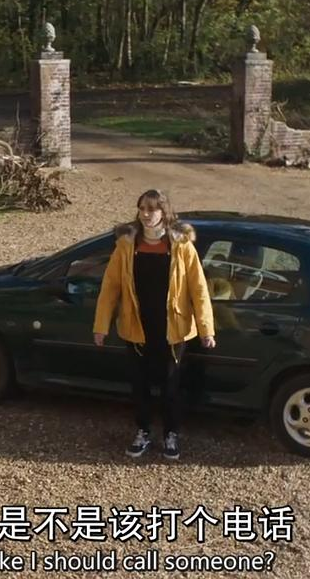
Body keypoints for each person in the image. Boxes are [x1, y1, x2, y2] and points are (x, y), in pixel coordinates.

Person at [92, 189, 216, 460]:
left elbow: (198, 289)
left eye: (152, 209)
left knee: (171, 385)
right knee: (140, 384)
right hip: (136, 326)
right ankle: (143, 431)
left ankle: (171, 433)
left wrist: (206, 329)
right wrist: (101, 326)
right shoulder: (126, 245)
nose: (146, 214)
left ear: (164, 212)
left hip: (173, 328)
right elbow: (110, 287)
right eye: (142, 209)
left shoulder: (181, 246)